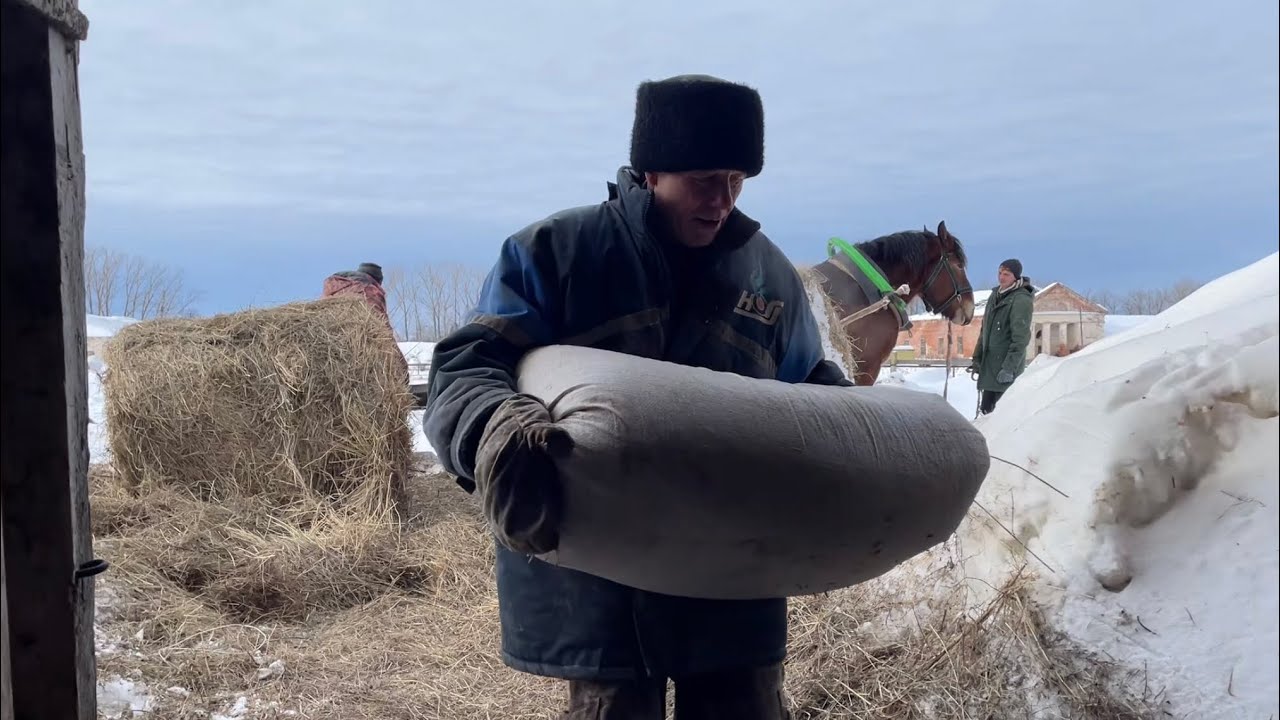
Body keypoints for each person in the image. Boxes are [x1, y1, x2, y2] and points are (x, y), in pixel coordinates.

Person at [422, 74, 850, 719]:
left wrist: (851, 433)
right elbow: (464, 368)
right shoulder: (555, 254)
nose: (722, 200)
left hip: (732, 570)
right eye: (703, 178)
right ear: (652, 171)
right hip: (600, 577)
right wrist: (495, 431)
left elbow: (808, 386)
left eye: (737, 179)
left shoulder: (769, 277)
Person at [968, 259, 1034, 415]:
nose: (1001, 277)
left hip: (1005, 371)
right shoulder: (994, 295)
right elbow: (985, 332)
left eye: (1006, 274)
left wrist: (1009, 368)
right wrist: (977, 359)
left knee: (1003, 418)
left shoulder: (1021, 299)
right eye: (999, 273)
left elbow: (1021, 338)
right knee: (986, 413)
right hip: (990, 368)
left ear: (1016, 277)